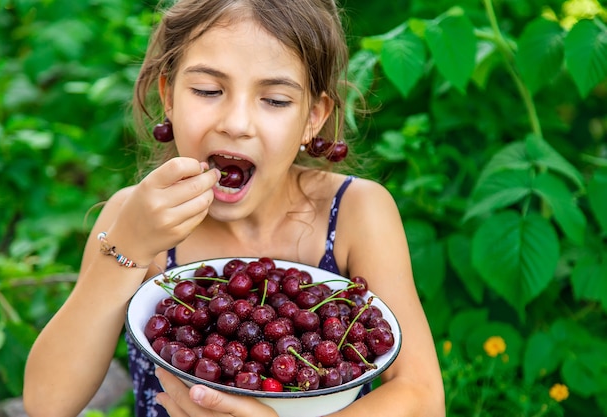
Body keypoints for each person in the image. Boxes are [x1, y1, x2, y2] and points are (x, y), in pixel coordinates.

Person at [23, 0, 445, 416]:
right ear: (168, 95)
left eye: (276, 100)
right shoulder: (134, 218)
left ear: (313, 117)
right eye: (208, 90)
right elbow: (48, 402)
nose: (236, 123)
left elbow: (422, 396)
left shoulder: (355, 211)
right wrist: (128, 246)